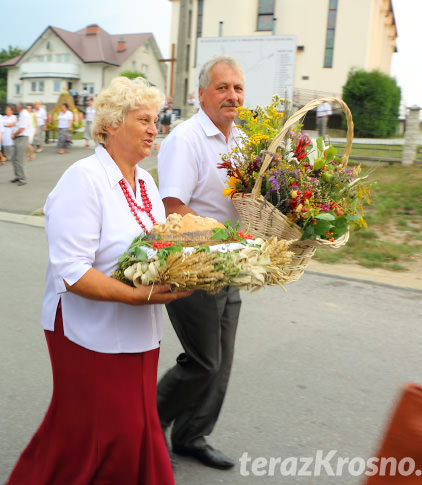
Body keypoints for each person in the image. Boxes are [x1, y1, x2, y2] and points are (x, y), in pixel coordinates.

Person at [6, 77, 191, 485]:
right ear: (110, 123)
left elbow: (159, 250)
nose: (152, 128)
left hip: (140, 328)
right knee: (96, 431)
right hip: (86, 332)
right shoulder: (83, 179)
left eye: (155, 119)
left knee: (133, 426)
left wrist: (192, 271)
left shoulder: (145, 182)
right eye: (143, 119)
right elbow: (71, 271)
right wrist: (136, 295)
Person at [156, 55, 245, 471]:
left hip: (232, 262)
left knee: (221, 363)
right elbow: (173, 206)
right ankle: (147, 427)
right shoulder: (186, 138)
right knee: (204, 359)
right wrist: (222, 238)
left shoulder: (241, 141)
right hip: (193, 263)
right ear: (202, 94)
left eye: (238, 88)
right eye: (223, 87)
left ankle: (192, 436)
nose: (232, 95)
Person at [10, 103, 31, 185]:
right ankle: (18, 175)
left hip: (22, 137)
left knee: (19, 158)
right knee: (14, 157)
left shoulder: (25, 114)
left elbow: (22, 128)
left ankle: (22, 178)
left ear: (19, 107)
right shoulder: (22, 114)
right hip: (18, 137)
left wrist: (14, 134)